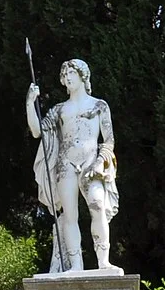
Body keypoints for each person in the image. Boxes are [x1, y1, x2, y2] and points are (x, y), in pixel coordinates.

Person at [25, 58, 119, 272]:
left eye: (71, 73)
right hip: (65, 164)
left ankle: (103, 261)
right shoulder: (59, 110)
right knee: (69, 215)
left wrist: (99, 161)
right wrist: (30, 103)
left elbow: (109, 140)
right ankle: (76, 264)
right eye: (64, 75)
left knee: (97, 206)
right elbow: (37, 131)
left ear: (82, 76)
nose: (67, 78)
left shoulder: (99, 105)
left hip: (90, 164)